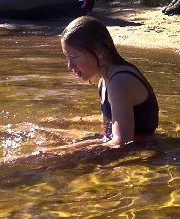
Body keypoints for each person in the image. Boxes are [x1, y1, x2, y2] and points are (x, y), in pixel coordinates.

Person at [59, 15, 158, 149]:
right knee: (50, 137)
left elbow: (122, 142)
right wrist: (63, 122)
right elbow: (108, 121)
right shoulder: (104, 80)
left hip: (141, 150)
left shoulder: (120, 81)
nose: (69, 66)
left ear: (99, 52)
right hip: (113, 139)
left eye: (74, 57)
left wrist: (66, 150)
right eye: (67, 58)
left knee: (52, 154)